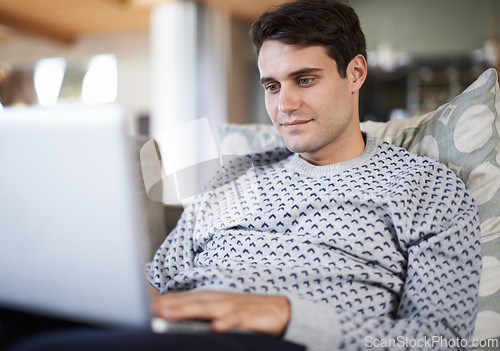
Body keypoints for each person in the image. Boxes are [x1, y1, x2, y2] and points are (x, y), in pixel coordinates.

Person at [5, 0, 481, 350]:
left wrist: (287, 315)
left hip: (276, 341)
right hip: (175, 326)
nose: (284, 105)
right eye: (272, 85)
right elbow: (158, 277)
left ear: (355, 73)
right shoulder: (238, 172)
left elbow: (441, 339)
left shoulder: (427, 188)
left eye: (305, 79)